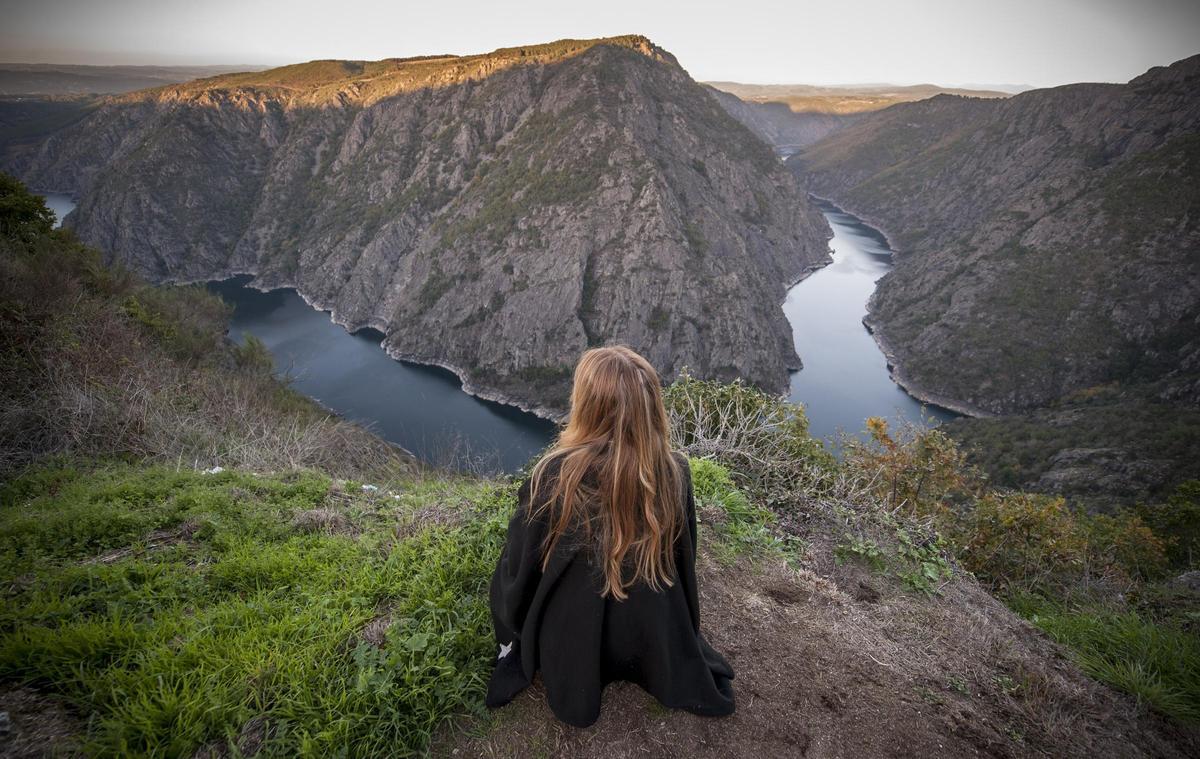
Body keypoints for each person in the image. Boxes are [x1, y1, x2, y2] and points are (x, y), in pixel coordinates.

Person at [485, 345, 735, 728]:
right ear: (650, 408)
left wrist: (510, 618)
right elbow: (684, 560)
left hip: (572, 637)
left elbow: (521, 570)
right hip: (650, 632)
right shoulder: (673, 472)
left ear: (586, 406)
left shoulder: (555, 477)